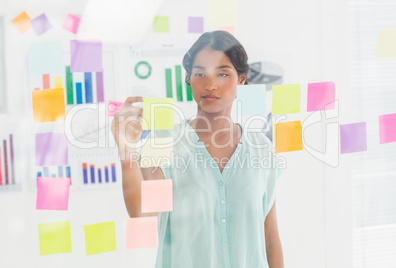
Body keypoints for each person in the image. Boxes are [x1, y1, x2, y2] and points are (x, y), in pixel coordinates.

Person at [111, 31, 284, 268]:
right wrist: (126, 150)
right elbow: (143, 216)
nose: (210, 84)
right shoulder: (165, 142)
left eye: (223, 73)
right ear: (189, 79)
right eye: (200, 73)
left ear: (241, 80)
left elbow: (270, 237)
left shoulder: (261, 150)